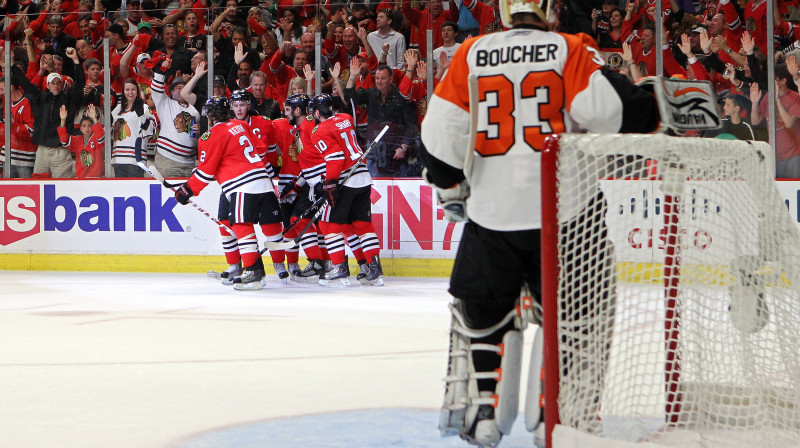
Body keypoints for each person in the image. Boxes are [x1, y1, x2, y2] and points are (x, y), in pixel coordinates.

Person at [419, 0, 659, 445]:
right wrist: (653, 106)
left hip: (493, 215)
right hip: (565, 214)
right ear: (549, 12)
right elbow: (611, 111)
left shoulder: (472, 51)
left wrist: (452, 181)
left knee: (483, 310)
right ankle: (558, 411)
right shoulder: (569, 47)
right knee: (576, 318)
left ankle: (484, 411)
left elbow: (437, 142)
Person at [173, 96, 285, 291]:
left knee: (242, 227)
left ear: (209, 115)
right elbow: (259, 148)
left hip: (242, 185)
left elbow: (205, 172)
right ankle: (259, 268)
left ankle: (253, 272)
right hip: (264, 181)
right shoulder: (240, 125)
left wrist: (187, 190)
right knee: (260, 226)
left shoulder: (210, 136)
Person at [308, 94, 384, 286]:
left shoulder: (318, 130)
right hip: (363, 177)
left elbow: (335, 157)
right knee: (362, 224)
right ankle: (373, 269)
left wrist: (330, 184)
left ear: (317, 112)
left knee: (328, 224)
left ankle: (340, 267)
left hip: (346, 180)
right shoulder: (345, 119)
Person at [10, 46, 85, 178]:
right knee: (38, 183)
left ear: (61, 85)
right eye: (53, 83)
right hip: (42, 150)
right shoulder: (40, 97)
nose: (56, 85)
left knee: (63, 187)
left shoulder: (68, 99)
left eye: (58, 83)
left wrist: (76, 60)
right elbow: (25, 83)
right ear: (48, 85)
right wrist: (12, 64)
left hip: (61, 151)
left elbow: (79, 84)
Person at [344, 62, 418, 177]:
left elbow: (411, 124)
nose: (379, 81)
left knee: (398, 189)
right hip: (374, 151)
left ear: (391, 78)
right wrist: (352, 77)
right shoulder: (370, 94)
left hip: (395, 153)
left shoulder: (401, 97)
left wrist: (404, 147)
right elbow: (350, 98)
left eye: (383, 78)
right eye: (377, 78)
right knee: (374, 189)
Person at [151, 56, 201, 177]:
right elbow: (156, 90)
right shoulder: (165, 104)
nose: (182, 91)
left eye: (185, 88)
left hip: (189, 163)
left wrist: (200, 131)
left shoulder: (195, 109)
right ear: (171, 92)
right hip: (167, 161)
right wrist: (161, 70)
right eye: (179, 88)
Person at [111, 78, 156, 177]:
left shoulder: (144, 108)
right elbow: (111, 132)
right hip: (118, 159)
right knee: (121, 192)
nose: (130, 92)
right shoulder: (117, 109)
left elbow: (151, 131)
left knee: (136, 191)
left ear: (137, 91)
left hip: (136, 160)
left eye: (133, 89)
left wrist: (142, 116)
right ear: (123, 91)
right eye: (127, 90)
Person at [0, 77, 36, 178]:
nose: (1, 93)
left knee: (26, 190)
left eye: (2, 89)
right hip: (8, 155)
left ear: (10, 87)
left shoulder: (27, 103)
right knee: (9, 191)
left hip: (23, 158)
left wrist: (14, 126)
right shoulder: (7, 103)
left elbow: (31, 130)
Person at [57, 104, 105, 178]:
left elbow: (101, 136)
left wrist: (94, 118)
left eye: (89, 125)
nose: (87, 128)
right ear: (80, 128)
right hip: (81, 178)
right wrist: (63, 121)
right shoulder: (78, 140)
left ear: (93, 127)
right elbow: (64, 141)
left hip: (96, 178)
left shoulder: (96, 138)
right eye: (84, 126)